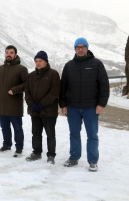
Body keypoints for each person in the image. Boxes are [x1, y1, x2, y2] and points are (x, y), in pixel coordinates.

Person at [60, 38, 109, 172]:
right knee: (74, 133)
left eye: (83, 47)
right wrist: (63, 105)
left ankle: (93, 161)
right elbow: (63, 87)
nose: (80, 49)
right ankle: (74, 157)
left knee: (92, 134)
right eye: (78, 47)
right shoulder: (69, 66)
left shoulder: (96, 64)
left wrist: (101, 104)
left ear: (87, 48)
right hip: (72, 107)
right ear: (75, 49)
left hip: (91, 107)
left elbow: (104, 85)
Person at [24, 51, 61, 164]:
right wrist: (32, 105)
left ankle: (51, 155)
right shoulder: (31, 76)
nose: (38, 63)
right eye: (36, 61)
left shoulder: (53, 74)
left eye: (40, 61)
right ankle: (36, 152)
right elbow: (27, 92)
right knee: (35, 133)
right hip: (35, 111)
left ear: (46, 62)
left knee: (50, 134)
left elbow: (54, 93)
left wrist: (41, 104)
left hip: (48, 111)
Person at [0, 45, 28, 157]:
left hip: (14, 104)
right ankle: (7, 145)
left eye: (11, 52)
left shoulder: (22, 69)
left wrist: (15, 89)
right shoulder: (0, 68)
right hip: (2, 104)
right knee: (4, 127)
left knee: (17, 128)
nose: (9, 54)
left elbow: (27, 84)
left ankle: (19, 148)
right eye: (7, 52)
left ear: (15, 55)